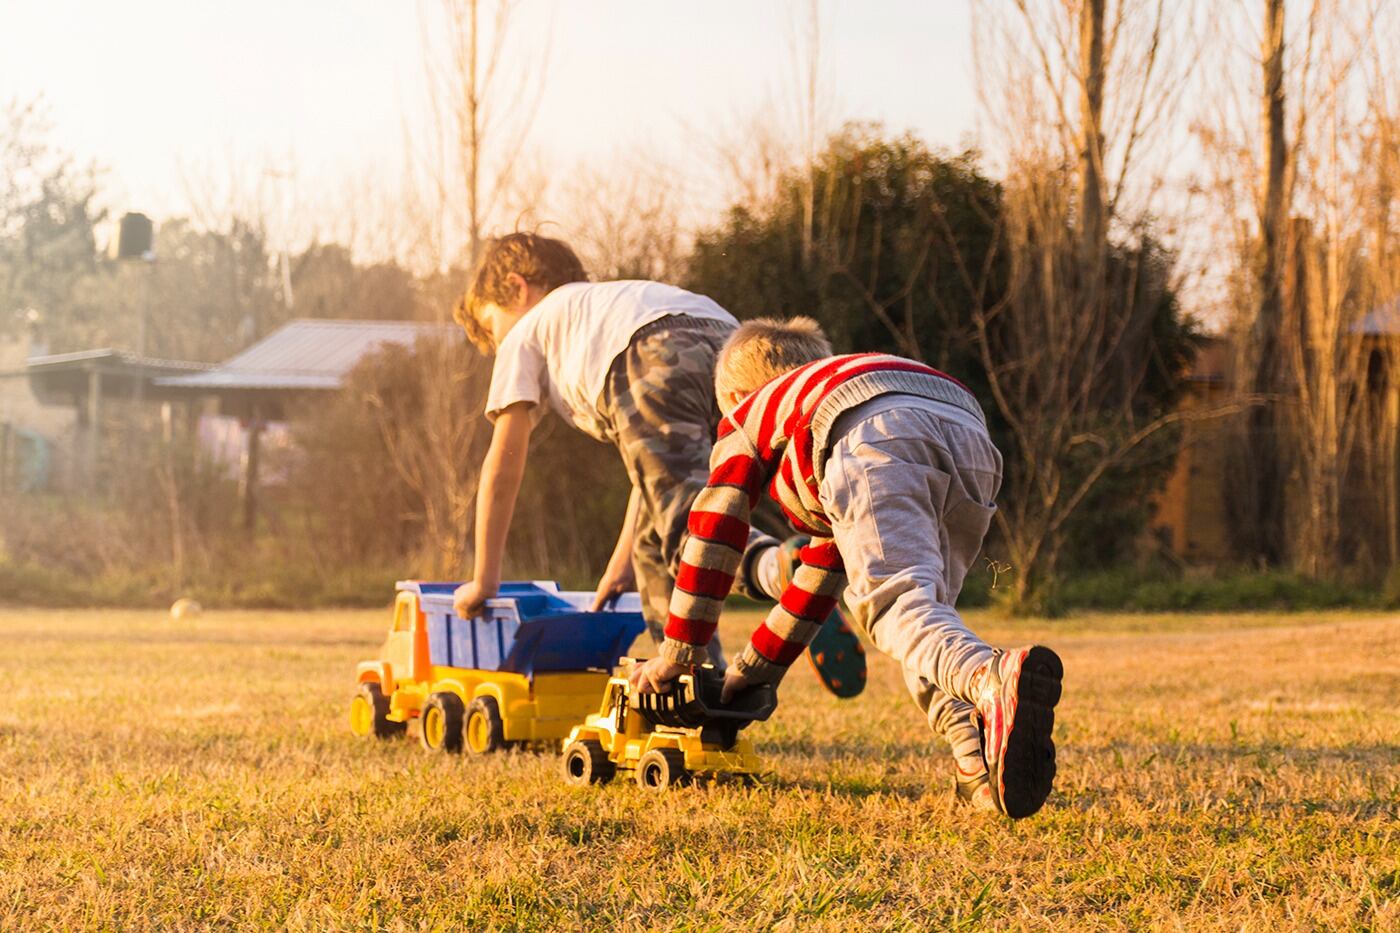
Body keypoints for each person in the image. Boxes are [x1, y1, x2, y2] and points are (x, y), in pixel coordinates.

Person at [630, 317, 1063, 818]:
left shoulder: (753, 410)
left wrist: (679, 652)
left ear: (736, 395)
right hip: (970, 432)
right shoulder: (825, 395)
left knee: (896, 607)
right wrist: (745, 681)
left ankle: (989, 675)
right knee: (924, 618)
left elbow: (712, 528)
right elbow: (813, 585)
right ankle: (977, 770)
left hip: (878, 437)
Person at [449, 233, 864, 691]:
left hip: (653, 351)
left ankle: (779, 570)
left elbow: (503, 464)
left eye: (493, 329)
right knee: (661, 542)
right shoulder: (606, 305)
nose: (498, 344)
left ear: (517, 287)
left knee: (694, 537)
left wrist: (484, 582)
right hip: (731, 343)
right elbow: (655, 476)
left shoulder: (529, 328)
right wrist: (620, 564)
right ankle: (697, 687)